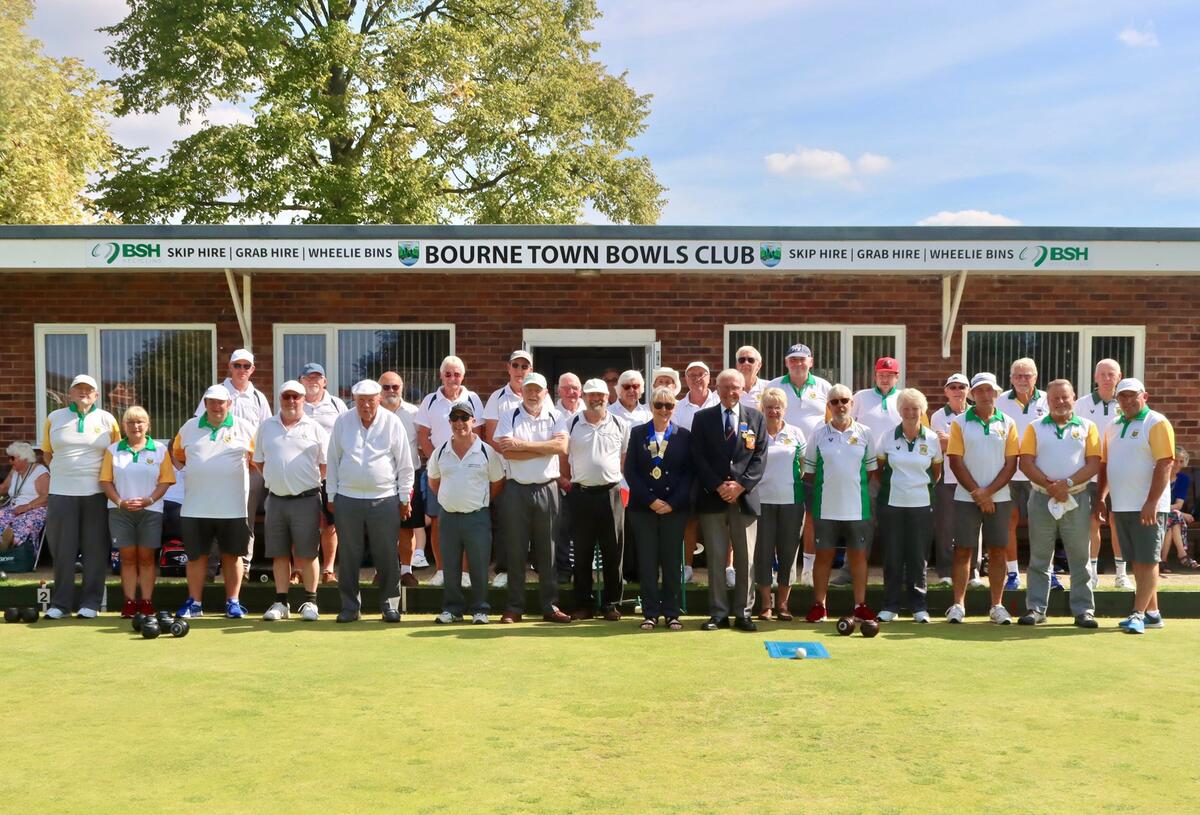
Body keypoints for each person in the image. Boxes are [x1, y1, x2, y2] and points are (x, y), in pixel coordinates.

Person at [326, 379, 414, 623]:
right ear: (354, 400)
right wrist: (331, 494)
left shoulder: (392, 421)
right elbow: (332, 459)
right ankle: (350, 607)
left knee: (386, 554)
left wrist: (405, 496)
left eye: (371, 400)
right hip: (347, 497)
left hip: (385, 498)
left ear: (379, 399)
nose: (366, 405)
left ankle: (389, 605)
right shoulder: (343, 421)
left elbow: (405, 464)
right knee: (350, 556)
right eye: (361, 400)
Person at [1017, 379, 1101, 627]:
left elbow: (1094, 463)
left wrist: (1068, 484)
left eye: (1065, 397)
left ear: (1074, 397)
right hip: (1042, 496)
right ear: (1048, 401)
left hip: (1077, 496)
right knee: (1040, 556)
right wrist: (1050, 486)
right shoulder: (1035, 427)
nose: (1061, 402)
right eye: (1055, 398)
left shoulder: (1088, 427)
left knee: (1079, 557)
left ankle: (1084, 610)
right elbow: (1026, 462)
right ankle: (1036, 608)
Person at [690, 369, 767, 632]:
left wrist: (741, 486)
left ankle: (744, 613)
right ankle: (718, 613)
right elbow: (697, 457)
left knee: (746, 560)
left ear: (743, 389)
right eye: (725, 387)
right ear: (717, 388)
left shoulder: (756, 418)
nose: (730, 392)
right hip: (713, 498)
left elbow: (759, 457)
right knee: (716, 558)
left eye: (735, 387)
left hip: (744, 500)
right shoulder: (702, 419)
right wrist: (718, 485)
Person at [172, 384, 257, 619]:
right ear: (205, 403)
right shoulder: (189, 427)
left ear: (229, 404)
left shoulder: (245, 427)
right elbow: (177, 454)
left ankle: (233, 602)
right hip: (195, 506)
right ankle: (195, 603)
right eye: (211, 402)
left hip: (234, 507)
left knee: (233, 556)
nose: (216, 406)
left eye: (221, 402)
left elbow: (256, 459)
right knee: (196, 556)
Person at [493, 371, 571, 623]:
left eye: (538, 389)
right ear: (522, 392)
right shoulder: (509, 415)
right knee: (516, 550)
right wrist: (543, 449)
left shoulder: (556, 415)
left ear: (546, 392)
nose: (533, 394)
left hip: (548, 487)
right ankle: (514, 607)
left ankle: (549, 606)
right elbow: (507, 452)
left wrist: (523, 445)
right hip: (516, 488)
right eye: (529, 389)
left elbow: (560, 448)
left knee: (547, 550)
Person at [41, 374, 121, 619]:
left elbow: (116, 455)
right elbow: (47, 454)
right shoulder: (54, 418)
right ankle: (61, 604)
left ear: (96, 395)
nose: (83, 392)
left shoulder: (107, 419)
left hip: (96, 493)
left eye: (89, 389)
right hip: (61, 493)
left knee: (94, 550)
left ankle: (91, 603)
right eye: (78, 389)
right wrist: (63, 474)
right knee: (63, 550)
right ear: (70, 393)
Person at [1099, 378, 1174, 634]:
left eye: (1133, 395)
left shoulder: (1156, 422)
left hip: (1148, 506)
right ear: (1117, 400)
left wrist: (1152, 502)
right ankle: (1153, 613)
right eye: (1122, 396)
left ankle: (1138, 613)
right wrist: (1101, 497)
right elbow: (1106, 466)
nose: (1128, 400)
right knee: (1138, 561)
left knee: (1148, 560)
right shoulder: (1113, 425)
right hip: (1121, 505)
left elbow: (1165, 463)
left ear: (1145, 396)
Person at [945, 373, 1019, 624]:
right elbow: (955, 460)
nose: (986, 395)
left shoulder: (1008, 422)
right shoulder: (959, 422)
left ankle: (997, 606)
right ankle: (958, 605)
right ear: (973, 394)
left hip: (999, 496)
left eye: (990, 391)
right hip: (967, 497)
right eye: (980, 391)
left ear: (996, 393)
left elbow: (1011, 464)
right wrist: (978, 492)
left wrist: (988, 492)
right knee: (963, 550)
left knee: (998, 550)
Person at [802, 384, 878, 623]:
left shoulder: (865, 432)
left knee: (858, 557)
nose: (840, 405)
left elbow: (872, 471)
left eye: (844, 400)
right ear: (828, 406)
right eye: (834, 402)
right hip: (826, 507)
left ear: (852, 404)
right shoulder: (818, 434)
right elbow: (810, 473)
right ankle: (819, 606)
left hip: (858, 507)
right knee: (823, 556)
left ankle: (860, 605)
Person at [254, 380, 329, 622]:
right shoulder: (267, 427)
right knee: (279, 554)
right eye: (287, 397)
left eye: (296, 396)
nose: (291, 401)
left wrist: (304, 481)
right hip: (275, 500)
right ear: (280, 399)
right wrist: (278, 479)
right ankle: (281, 602)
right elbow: (259, 461)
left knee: (308, 553)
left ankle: (311, 601)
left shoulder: (315, 428)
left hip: (307, 499)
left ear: (303, 399)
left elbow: (325, 465)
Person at [194, 349, 272, 575]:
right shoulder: (216, 393)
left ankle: (244, 564)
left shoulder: (258, 397)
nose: (241, 370)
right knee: (215, 514)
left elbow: (266, 431)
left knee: (244, 517)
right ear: (229, 367)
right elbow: (199, 424)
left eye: (246, 366)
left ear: (252, 370)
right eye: (237, 365)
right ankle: (212, 565)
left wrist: (258, 460)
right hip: (217, 468)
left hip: (250, 467)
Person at [427, 400, 505, 624]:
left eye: (464, 418)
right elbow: (434, 481)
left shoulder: (486, 451)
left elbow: (497, 482)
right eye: (455, 419)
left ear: (473, 421)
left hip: (477, 516)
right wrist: (450, 498)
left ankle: (480, 609)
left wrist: (479, 500)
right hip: (449, 517)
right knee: (449, 564)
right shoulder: (441, 451)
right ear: (450, 422)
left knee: (479, 565)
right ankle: (452, 609)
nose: (460, 423)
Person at [98, 406, 176, 618]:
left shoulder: (159, 449)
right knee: (128, 558)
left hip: (151, 510)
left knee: (147, 558)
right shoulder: (113, 450)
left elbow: (166, 480)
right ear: (124, 426)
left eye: (140, 421)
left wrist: (150, 499)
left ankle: (147, 602)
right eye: (131, 422)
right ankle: (130, 602)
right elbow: (105, 481)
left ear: (148, 424)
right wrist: (120, 502)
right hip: (119, 511)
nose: (136, 426)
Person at [561, 378, 629, 620]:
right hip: (581, 494)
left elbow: (623, 459)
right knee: (581, 554)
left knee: (613, 552)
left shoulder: (620, 424)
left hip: (611, 493)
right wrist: (566, 480)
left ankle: (611, 604)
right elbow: (563, 456)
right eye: (591, 395)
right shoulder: (571, 423)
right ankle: (583, 605)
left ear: (608, 396)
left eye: (600, 394)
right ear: (584, 397)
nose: (595, 398)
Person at [625, 386, 692, 631]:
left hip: (675, 509)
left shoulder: (684, 435)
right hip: (643, 509)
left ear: (674, 408)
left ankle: (672, 613)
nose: (664, 410)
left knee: (672, 562)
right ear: (651, 406)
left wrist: (672, 502)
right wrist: (651, 501)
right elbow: (630, 472)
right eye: (659, 405)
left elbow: (689, 474)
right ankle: (650, 613)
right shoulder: (638, 433)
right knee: (647, 561)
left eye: (669, 405)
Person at [414, 356, 485, 584]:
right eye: (448, 374)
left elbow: (479, 435)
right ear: (441, 376)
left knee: (467, 520)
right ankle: (442, 571)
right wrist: (440, 463)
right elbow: (423, 436)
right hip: (440, 471)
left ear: (463, 376)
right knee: (437, 520)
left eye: (456, 374)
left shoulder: (473, 399)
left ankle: (464, 573)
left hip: (470, 470)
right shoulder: (430, 400)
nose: (452, 378)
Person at [767, 343, 832, 588]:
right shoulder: (774, 385)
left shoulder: (824, 387)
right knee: (780, 520)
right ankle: (778, 570)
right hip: (781, 462)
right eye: (793, 359)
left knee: (811, 517)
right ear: (786, 363)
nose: (797, 363)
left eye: (802, 360)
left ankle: (808, 568)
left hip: (814, 460)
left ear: (811, 362)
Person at [877, 388, 941, 623]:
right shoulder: (887, 436)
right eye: (906, 408)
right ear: (899, 410)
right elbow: (879, 470)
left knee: (918, 556)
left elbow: (936, 472)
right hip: (892, 504)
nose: (911, 412)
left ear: (922, 411)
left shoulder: (932, 438)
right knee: (892, 555)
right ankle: (890, 606)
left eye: (915, 408)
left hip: (922, 505)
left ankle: (919, 607)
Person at [752, 387, 806, 621]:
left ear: (785, 409)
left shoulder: (796, 433)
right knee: (762, 553)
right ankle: (766, 604)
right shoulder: (754, 433)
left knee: (788, 553)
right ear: (762, 409)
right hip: (761, 501)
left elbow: (804, 467)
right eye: (769, 407)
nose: (773, 411)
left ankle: (783, 604)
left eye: (778, 407)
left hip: (791, 501)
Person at [995, 357, 1048, 592]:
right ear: (1010, 378)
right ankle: (1013, 573)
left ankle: (1047, 572)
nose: (1023, 380)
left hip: (1039, 472)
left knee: (1043, 524)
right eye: (1018, 375)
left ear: (1035, 377)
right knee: (1010, 523)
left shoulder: (1048, 399)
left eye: (1027, 375)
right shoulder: (999, 401)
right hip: (1008, 473)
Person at [1081, 359, 1129, 588]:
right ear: (1095, 377)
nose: (1107, 378)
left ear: (1119, 377)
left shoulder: (1128, 404)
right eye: (1103, 374)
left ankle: (1122, 574)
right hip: (1090, 474)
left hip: (1120, 475)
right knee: (1093, 522)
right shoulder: (1081, 405)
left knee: (1117, 522)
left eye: (1112, 374)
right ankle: (1092, 574)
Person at [300, 362, 347, 585]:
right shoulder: (294, 403)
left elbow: (348, 435)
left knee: (330, 524)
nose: (313, 382)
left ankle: (328, 570)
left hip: (331, 474)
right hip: (301, 475)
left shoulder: (337, 405)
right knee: (301, 523)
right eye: (309, 378)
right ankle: (299, 569)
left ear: (325, 381)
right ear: (301, 381)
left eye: (318, 378)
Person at [380, 371, 427, 588]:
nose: (391, 391)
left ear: (402, 388)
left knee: (408, 527)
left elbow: (424, 439)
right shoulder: (373, 413)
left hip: (410, 477)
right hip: (381, 479)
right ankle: (385, 570)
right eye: (386, 387)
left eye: (395, 387)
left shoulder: (414, 413)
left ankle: (406, 571)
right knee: (382, 527)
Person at [674, 361, 719, 584]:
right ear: (685, 379)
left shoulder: (720, 402)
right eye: (691, 375)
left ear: (709, 377)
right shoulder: (677, 407)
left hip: (718, 472)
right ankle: (688, 567)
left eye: (701, 374)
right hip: (689, 472)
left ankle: (726, 568)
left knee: (721, 522)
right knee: (690, 521)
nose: (696, 378)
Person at [929, 374, 973, 586]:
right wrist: (967, 442)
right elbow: (941, 446)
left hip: (973, 475)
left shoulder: (975, 413)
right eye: (953, 387)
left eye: (962, 387)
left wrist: (954, 440)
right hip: (947, 476)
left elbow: (953, 444)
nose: (957, 391)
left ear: (968, 390)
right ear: (946, 391)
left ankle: (973, 571)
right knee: (945, 525)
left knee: (973, 525)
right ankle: (945, 570)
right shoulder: (938, 416)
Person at [0, 442, 50, 561]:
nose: (10, 461)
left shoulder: (39, 471)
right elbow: (3, 488)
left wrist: (27, 506)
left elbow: (47, 497)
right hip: (14, 508)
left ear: (25, 458)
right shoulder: (15, 471)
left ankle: (13, 543)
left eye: (13, 458)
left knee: (24, 521)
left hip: (36, 508)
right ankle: (4, 543)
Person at [1161, 447, 1196, 572]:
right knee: (1175, 517)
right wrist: (1182, 514)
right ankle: (1182, 555)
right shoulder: (1160, 475)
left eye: (1181, 461)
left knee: (1172, 523)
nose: (1178, 464)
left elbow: (1178, 505)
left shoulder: (1183, 479)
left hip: (1170, 515)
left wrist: (1179, 512)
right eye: (1175, 460)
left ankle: (1163, 561)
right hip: (1155, 513)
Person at [733, 345, 767, 409]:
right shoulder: (727, 390)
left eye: (751, 360)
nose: (746, 363)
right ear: (737, 365)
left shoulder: (769, 387)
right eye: (741, 360)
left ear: (759, 365)